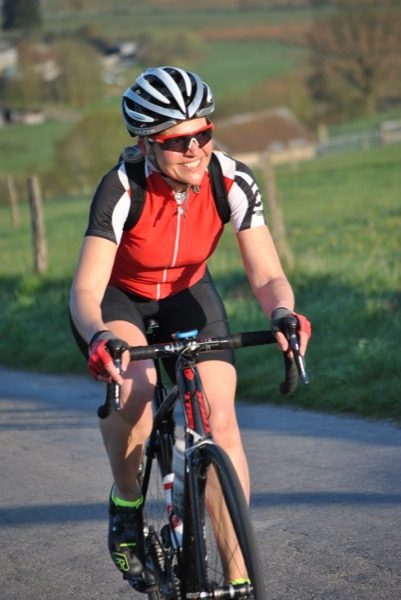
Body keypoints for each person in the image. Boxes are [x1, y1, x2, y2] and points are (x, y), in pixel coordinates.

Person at [69, 65, 311, 588]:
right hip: (120, 299)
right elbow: (85, 289)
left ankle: (239, 580)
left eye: (203, 133)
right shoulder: (122, 188)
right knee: (138, 389)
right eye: (177, 141)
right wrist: (99, 337)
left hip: (187, 295)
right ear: (147, 145)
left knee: (221, 421)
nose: (195, 149)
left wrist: (283, 313)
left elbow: (267, 274)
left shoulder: (231, 178)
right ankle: (127, 506)